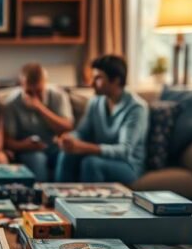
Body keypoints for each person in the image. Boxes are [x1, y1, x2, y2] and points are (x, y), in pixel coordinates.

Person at [55, 54, 148, 184]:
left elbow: (124, 151)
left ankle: (88, 205)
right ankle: (56, 200)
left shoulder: (136, 108)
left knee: (91, 163)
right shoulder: (95, 101)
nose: (92, 83)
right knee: (67, 154)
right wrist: (69, 139)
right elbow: (82, 132)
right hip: (101, 157)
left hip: (128, 165)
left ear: (116, 80)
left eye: (98, 78)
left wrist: (85, 147)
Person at [2, 63, 74, 181]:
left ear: (45, 83)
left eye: (39, 91)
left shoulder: (58, 95)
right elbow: (7, 141)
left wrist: (40, 108)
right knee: (37, 159)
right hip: (29, 150)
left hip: (55, 146)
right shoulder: (11, 103)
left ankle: (62, 195)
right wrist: (24, 146)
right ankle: (42, 196)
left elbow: (67, 127)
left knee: (67, 155)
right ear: (21, 85)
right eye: (30, 92)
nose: (35, 96)